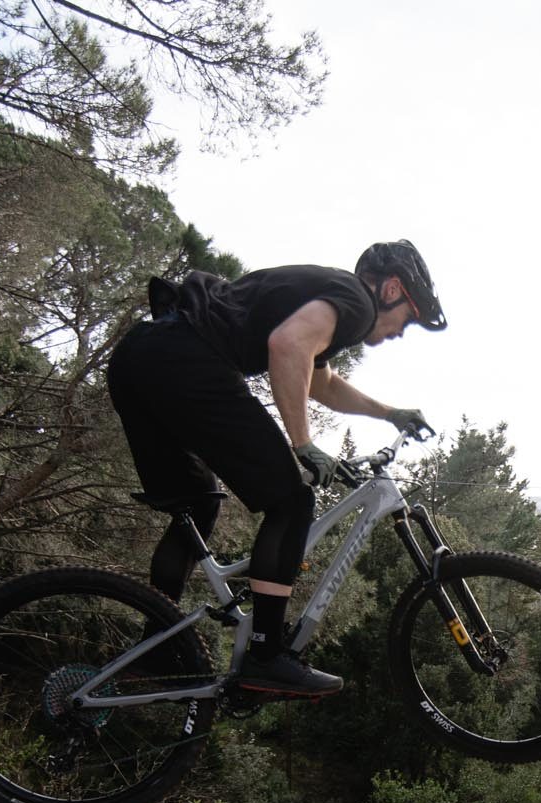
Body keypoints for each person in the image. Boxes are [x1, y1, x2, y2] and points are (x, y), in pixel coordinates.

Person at [106, 240, 445, 697]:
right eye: (409, 317)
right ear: (391, 290)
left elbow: (322, 382)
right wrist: (303, 444)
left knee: (198, 503)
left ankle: (152, 648)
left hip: (141, 359)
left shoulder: (328, 297)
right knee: (291, 501)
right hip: (189, 360)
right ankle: (266, 656)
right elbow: (288, 346)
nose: (401, 332)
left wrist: (390, 414)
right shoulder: (357, 302)